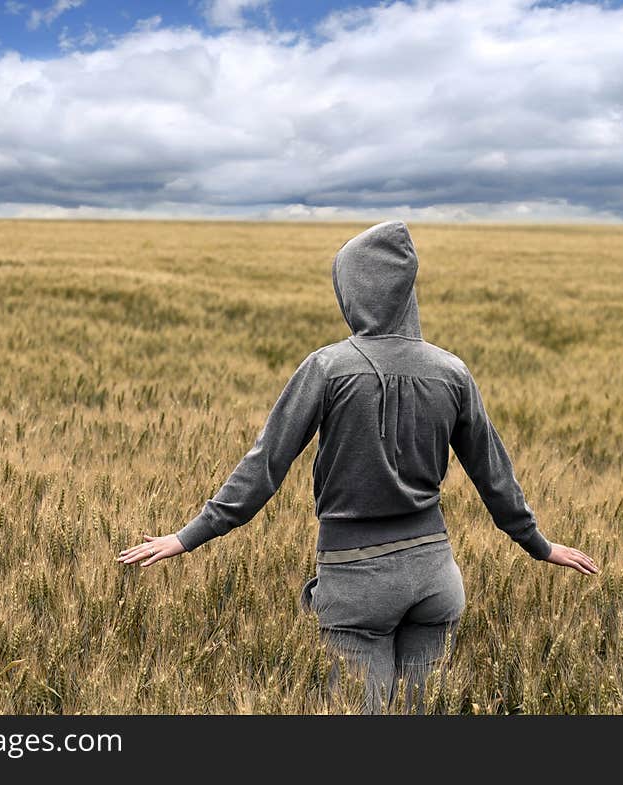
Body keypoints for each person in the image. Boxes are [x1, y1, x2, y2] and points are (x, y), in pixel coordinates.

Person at [117, 220, 598, 714]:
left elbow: (265, 465)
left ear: (355, 292)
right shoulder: (453, 372)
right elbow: (494, 475)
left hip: (356, 582)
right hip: (436, 576)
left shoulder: (327, 367)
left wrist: (187, 535)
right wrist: (538, 545)